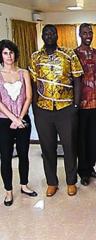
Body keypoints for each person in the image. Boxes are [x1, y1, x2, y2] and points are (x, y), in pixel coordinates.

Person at [29, 24, 83, 197]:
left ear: (57, 35)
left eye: (52, 32)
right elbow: (33, 82)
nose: (49, 35)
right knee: (47, 148)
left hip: (66, 108)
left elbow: (77, 80)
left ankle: (71, 182)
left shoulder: (68, 54)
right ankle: (52, 182)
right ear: (42, 36)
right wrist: (35, 107)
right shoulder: (35, 57)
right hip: (43, 110)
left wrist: (75, 105)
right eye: (46, 33)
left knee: (69, 147)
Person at [0, 40, 37, 206]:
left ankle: (24, 185)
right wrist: (13, 119)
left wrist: (20, 118)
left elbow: (28, 97)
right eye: (5, 53)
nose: (9, 56)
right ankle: (8, 191)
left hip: (23, 121)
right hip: (3, 122)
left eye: (11, 52)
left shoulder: (24, 73)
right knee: (6, 157)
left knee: (23, 154)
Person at [74, 23, 96, 186]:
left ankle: (91, 168)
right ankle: (83, 172)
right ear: (80, 34)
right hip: (81, 105)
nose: (88, 35)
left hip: (95, 104)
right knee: (82, 140)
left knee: (93, 139)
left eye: (90, 32)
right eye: (85, 32)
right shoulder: (74, 54)